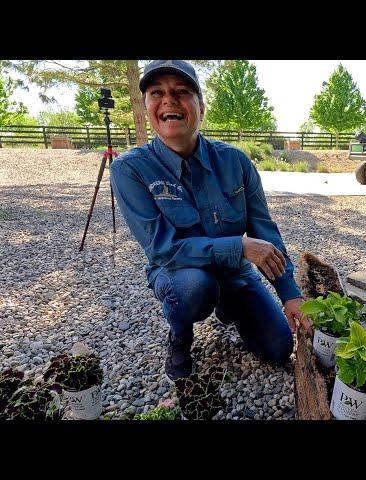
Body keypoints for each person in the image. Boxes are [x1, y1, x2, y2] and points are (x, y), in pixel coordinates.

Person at [110, 60, 311, 381]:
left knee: (278, 348)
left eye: (182, 91)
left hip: (236, 274)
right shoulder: (130, 170)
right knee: (195, 289)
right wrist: (239, 246)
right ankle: (180, 336)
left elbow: (264, 230)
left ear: (201, 107)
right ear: (147, 106)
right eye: (156, 92)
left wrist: (289, 293)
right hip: (179, 274)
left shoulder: (235, 161)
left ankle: (228, 304)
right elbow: (163, 249)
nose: (169, 100)